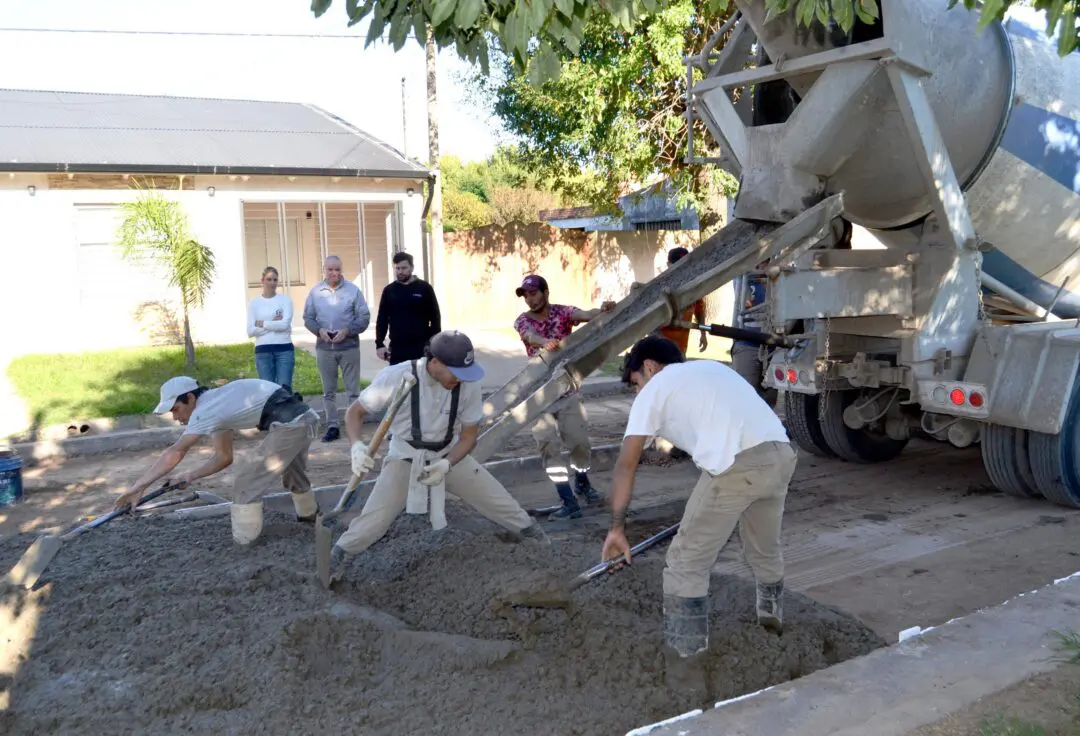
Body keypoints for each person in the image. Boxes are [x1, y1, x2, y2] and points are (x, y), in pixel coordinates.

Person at [600, 335, 797, 691]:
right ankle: (772, 628)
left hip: (738, 467)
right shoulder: (711, 371)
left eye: (634, 384)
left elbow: (624, 466)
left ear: (648, 367)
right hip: (780, 456)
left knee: (685, 563)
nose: (636, 393)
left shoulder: (655, 388)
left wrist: (617, 529)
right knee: (764, 550)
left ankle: (685, 677)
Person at [324, 330, 549, 584]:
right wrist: (356, 446)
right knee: (374, 520)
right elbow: (355, 412)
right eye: (456, 373)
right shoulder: (397, 376)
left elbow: (468, 437)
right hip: (405, 456)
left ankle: (540, 543)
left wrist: (447, 464)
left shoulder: (468, 383)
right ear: (434, 363)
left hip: (447, 454)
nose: (461, 380)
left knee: (499, 501)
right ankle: (336, 559)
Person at [114, 376, 321, 545]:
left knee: (246, 484)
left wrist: (138, 487)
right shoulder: (217, 404)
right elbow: (224, 458)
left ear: (189, 398)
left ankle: (245, 544)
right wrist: (190, 475)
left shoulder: (205, 410)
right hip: (304, 418)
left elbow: (176, 452)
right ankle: (311, 521)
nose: (175, 417)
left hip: (292, 423)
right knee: (293, 474)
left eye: (175, 409)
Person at [513, 274, 616, 520]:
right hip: (539, 393)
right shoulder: (522, 321)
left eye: (534, 293)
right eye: (526, 295)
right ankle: (567, 500)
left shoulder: (562, 312)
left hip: (567, 388)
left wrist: (603, 310)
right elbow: (529, 336)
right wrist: (545, 342)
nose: (529, 299)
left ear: (546, 292)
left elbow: (585, 314)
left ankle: (582, 484)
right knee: (548, 445)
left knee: (579, 442)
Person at [303, 255, 371, 443]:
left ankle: (354, 427)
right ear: (324, 269)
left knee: (353, 391)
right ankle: (333, 426)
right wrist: (319, 331)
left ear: (341, 270)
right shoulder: (316, 292)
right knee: (329, 392)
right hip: (325, 348)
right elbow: (308, 317)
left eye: (337, 269)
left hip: (349, 347)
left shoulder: (353, 291)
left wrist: (349, 331)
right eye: (330, 269)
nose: (334, 273)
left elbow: (364, 317)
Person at [374, 251, 441, 365]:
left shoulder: (424, 288)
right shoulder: (389, 290)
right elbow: (382, 319)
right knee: (398, 381)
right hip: (397, 348)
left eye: (404, 268)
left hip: (421, 347)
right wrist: (379, 344)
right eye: (397, 268)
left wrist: (433, 343)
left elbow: (435, 317)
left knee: (420, 381)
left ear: (412, 267)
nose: (400, 272)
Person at [247, 266, 296, 393]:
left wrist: (262, 323)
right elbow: (250, 331)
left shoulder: (285, 300)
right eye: (269, 279)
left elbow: (285, 325)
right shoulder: (254, 303)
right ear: (262, 281)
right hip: (263, 351)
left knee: (284, 390)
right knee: (267, 391)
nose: (272, 283)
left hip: (284, 349)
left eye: (275, 280)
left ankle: (286, 413)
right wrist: (275, 323)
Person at [731, 265, 772, 401]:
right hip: (747, 342)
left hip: (773, 345)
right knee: (746, 395)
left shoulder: (778, 274)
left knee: (769, 398)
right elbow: (746, 303)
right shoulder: (744, 275)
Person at [657, 247, 708, 356]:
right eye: (678, 265)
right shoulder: (659, 286)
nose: (682, 270)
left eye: (685, 266)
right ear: (668, 264)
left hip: (680, 348)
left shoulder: (693, 287)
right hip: (659, 345)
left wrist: (703, 334)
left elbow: (699, 310)